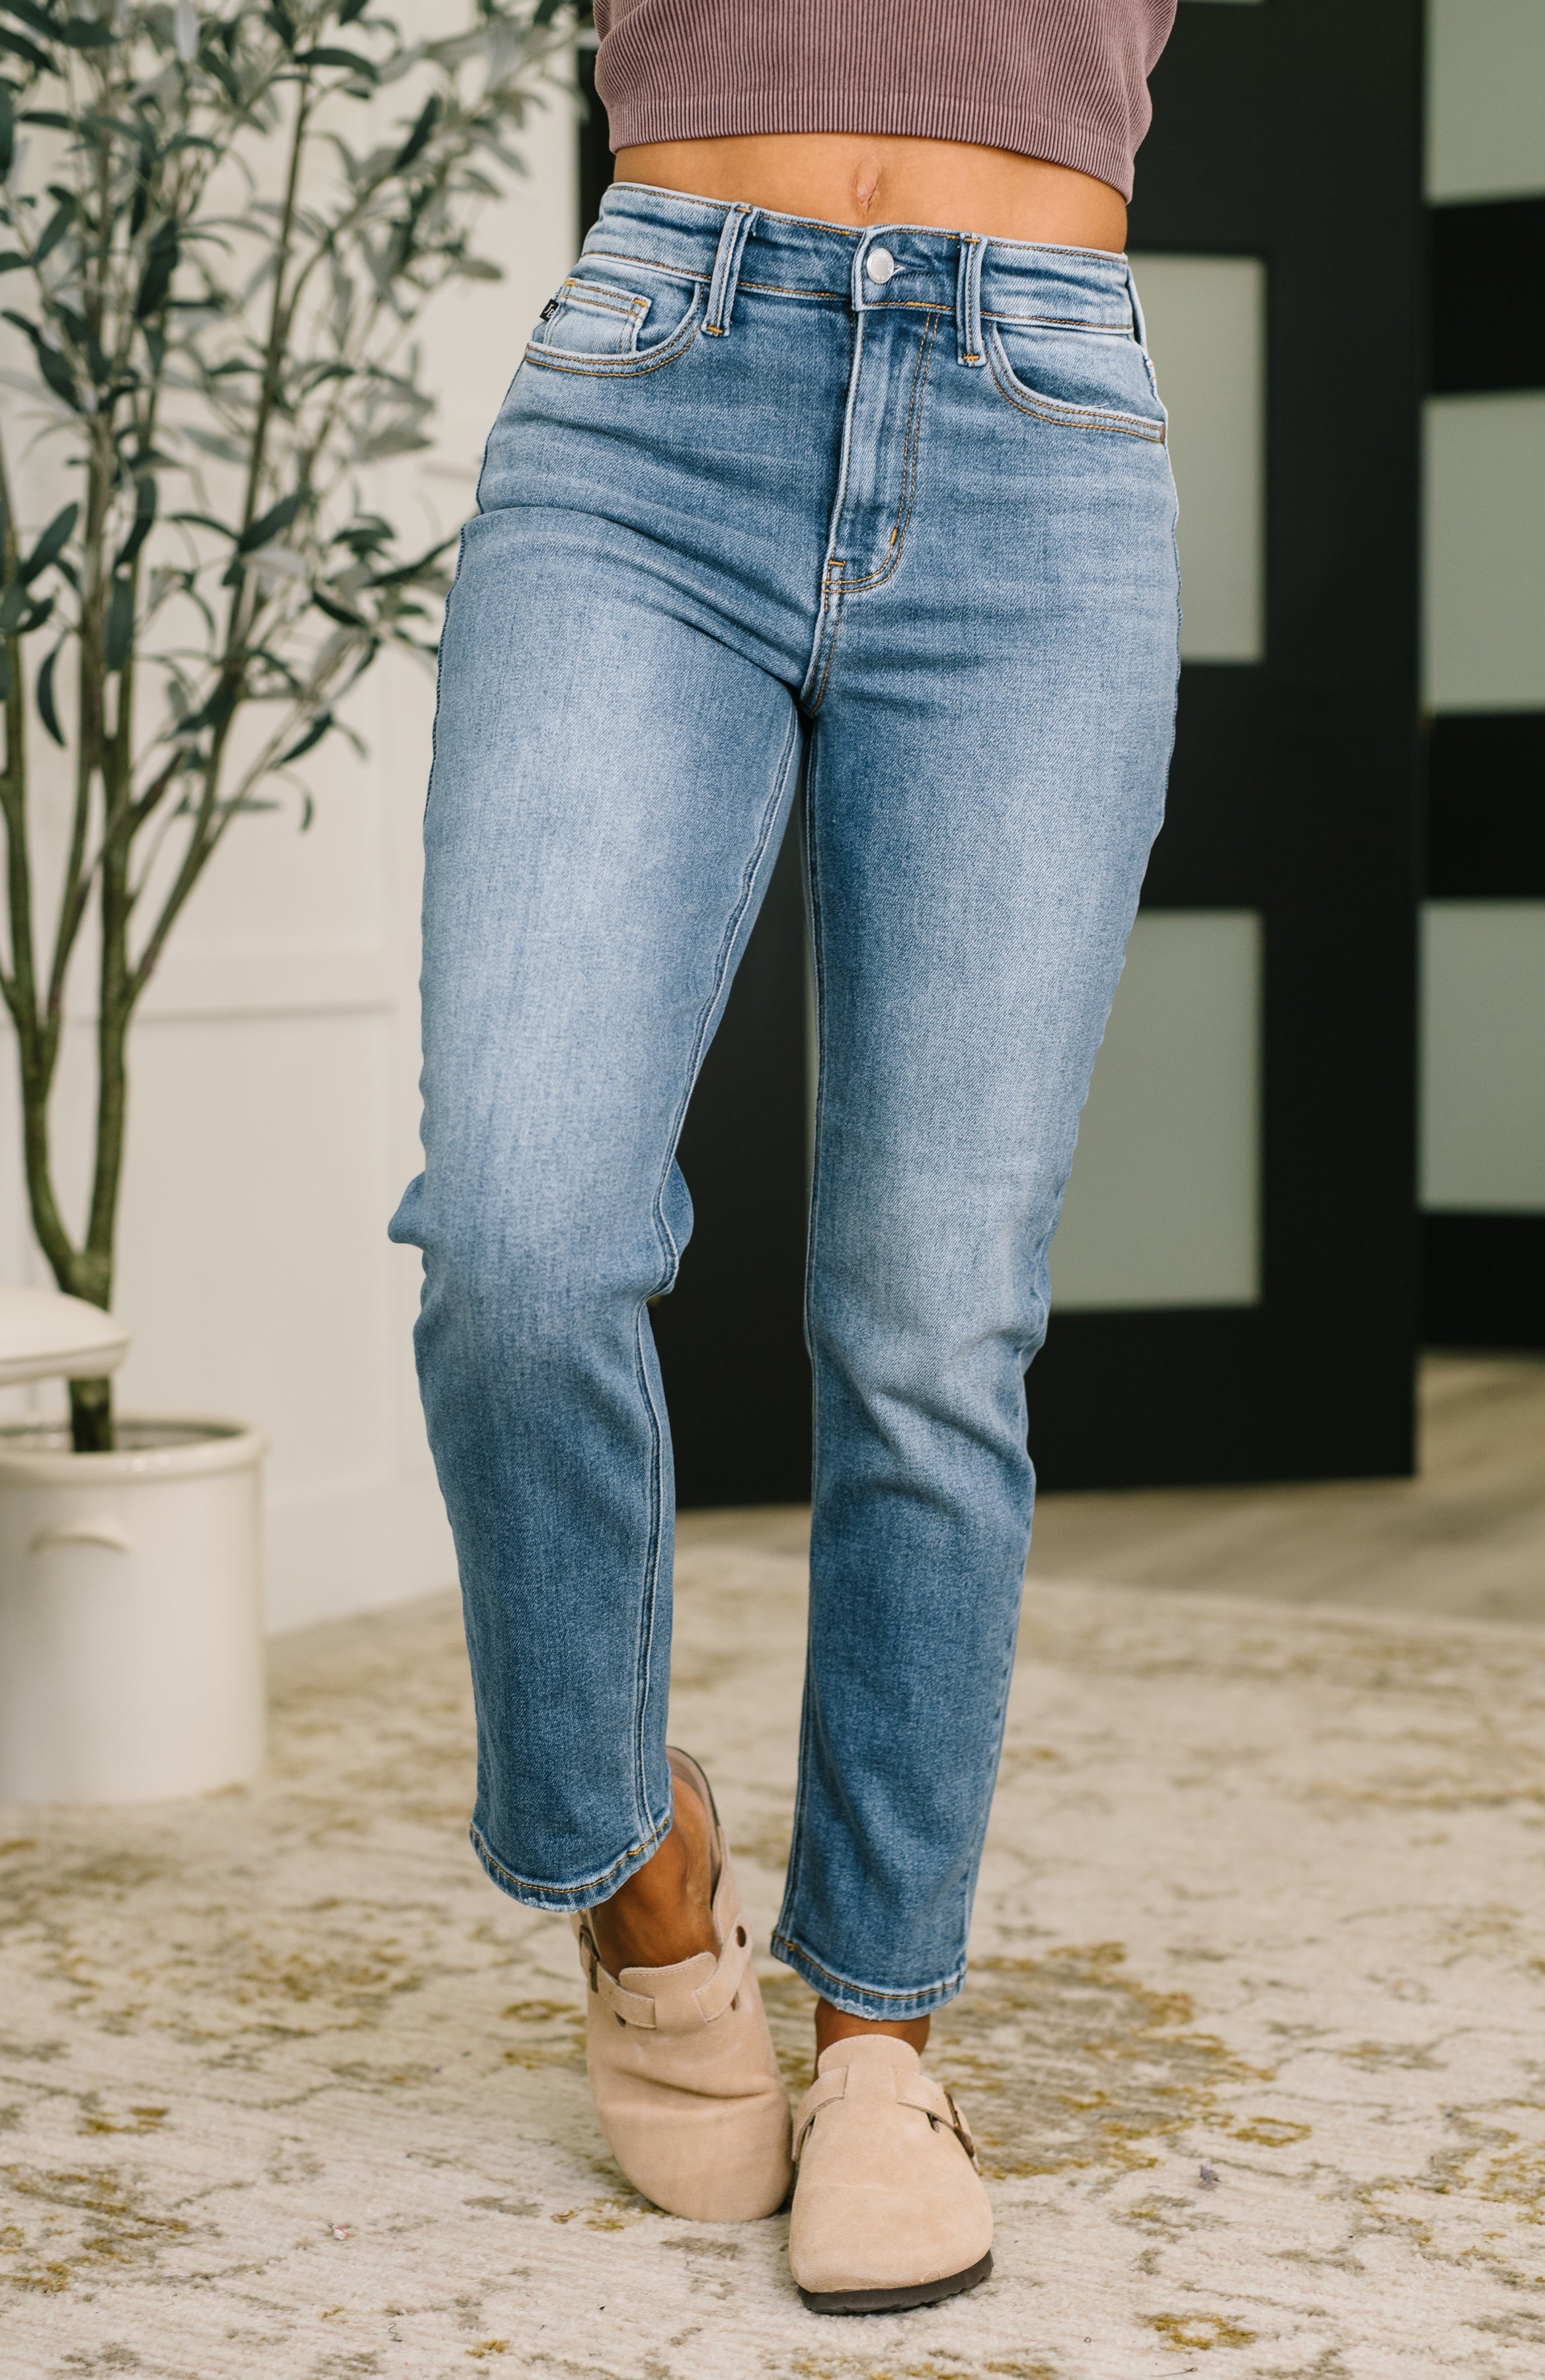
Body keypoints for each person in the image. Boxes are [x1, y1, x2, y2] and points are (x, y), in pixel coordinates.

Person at [391, 0, 1179, 2315]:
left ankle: (879, 2031)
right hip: (658, 382)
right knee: (520, 1239)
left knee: (930, 1317)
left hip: (1036, 414)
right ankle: (636, 1881)